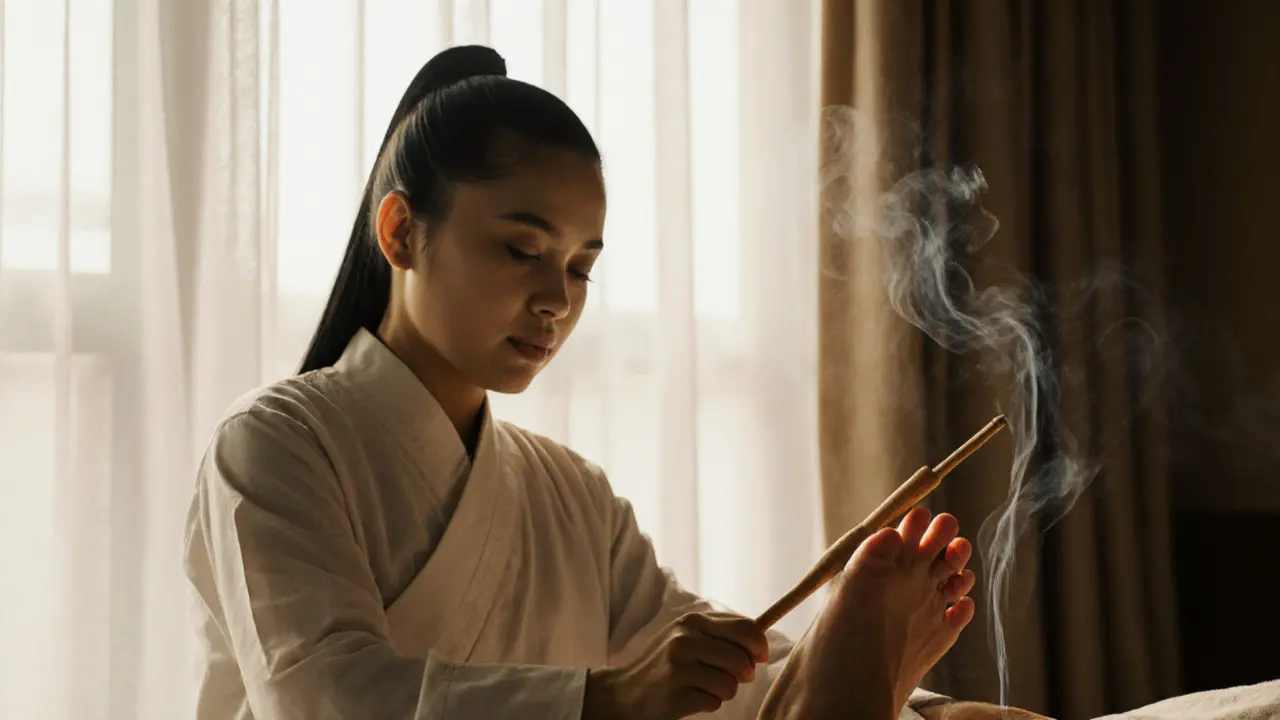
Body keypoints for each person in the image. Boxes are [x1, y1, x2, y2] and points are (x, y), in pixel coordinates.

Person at [182, 45, 1041, 720]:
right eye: (522, 250)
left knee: (736, 685)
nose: (556, 299)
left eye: (582, 268)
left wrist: (917, 701)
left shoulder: (567, 492)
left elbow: (699, 658)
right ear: (402, 230)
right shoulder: (272, 445)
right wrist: (607, 702)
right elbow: (321, 697)